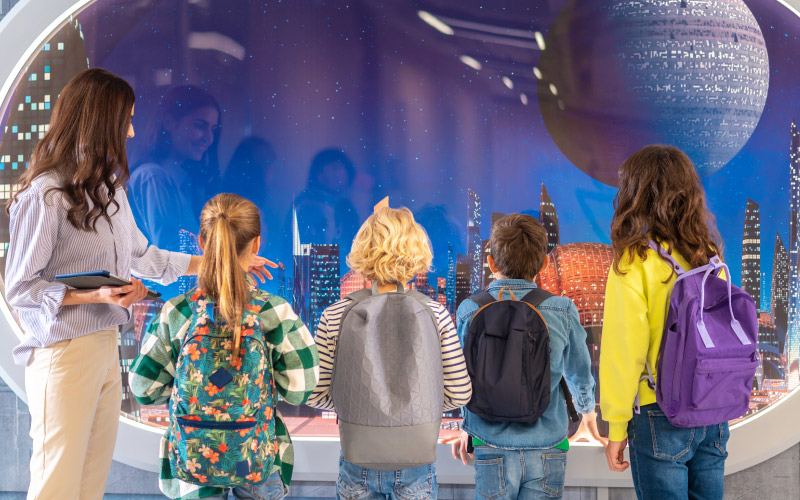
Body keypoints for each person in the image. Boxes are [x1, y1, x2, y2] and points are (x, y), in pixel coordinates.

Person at [4, 68, 271, 500]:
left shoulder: (111, 193)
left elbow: (144, 258)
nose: (130, 131)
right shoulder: (46, 195)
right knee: (56, 483)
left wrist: (223, 261)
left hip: (106, 346)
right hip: (63, 353)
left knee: (90, 482)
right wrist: (94, 294)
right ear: (99, 121)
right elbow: (19, 289)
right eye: (125, 119)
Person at [130, 193, 319, 500]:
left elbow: (143, 389)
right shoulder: (274, 311)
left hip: (191, 457)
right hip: (258, 455)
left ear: (203, 243)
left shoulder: (178, 312)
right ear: (256, 245)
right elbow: (301, 388)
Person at [307, 206, 472, 500]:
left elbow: (315, 395)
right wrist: (420, 403)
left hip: (357, 461)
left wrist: (359, 403)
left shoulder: (335, 314)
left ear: (363, 253)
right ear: (416, 253)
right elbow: (459, 393)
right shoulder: (436, 314)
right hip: (417, 463)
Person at [600, 145, 729, 499]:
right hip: (712, 408)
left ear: (634, 195)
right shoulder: (708, 255)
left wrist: (616, 426)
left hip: (660, 411)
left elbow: (623, 351)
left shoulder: (634, 260)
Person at [451, 213, 596, 500]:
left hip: (489, 442)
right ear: (543, 264)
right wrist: (586, 411)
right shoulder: (562, 309)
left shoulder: (469, 309)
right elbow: (580, 371)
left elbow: (460, 378)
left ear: (491, 263)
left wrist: (467, 425)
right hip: (547, 444)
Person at [128, 85, 222, 252]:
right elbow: (172, 251)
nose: (208, 138)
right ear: (169, 123)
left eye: (213, 129)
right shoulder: (153, 176)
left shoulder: (181, 181)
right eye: (200, 125)